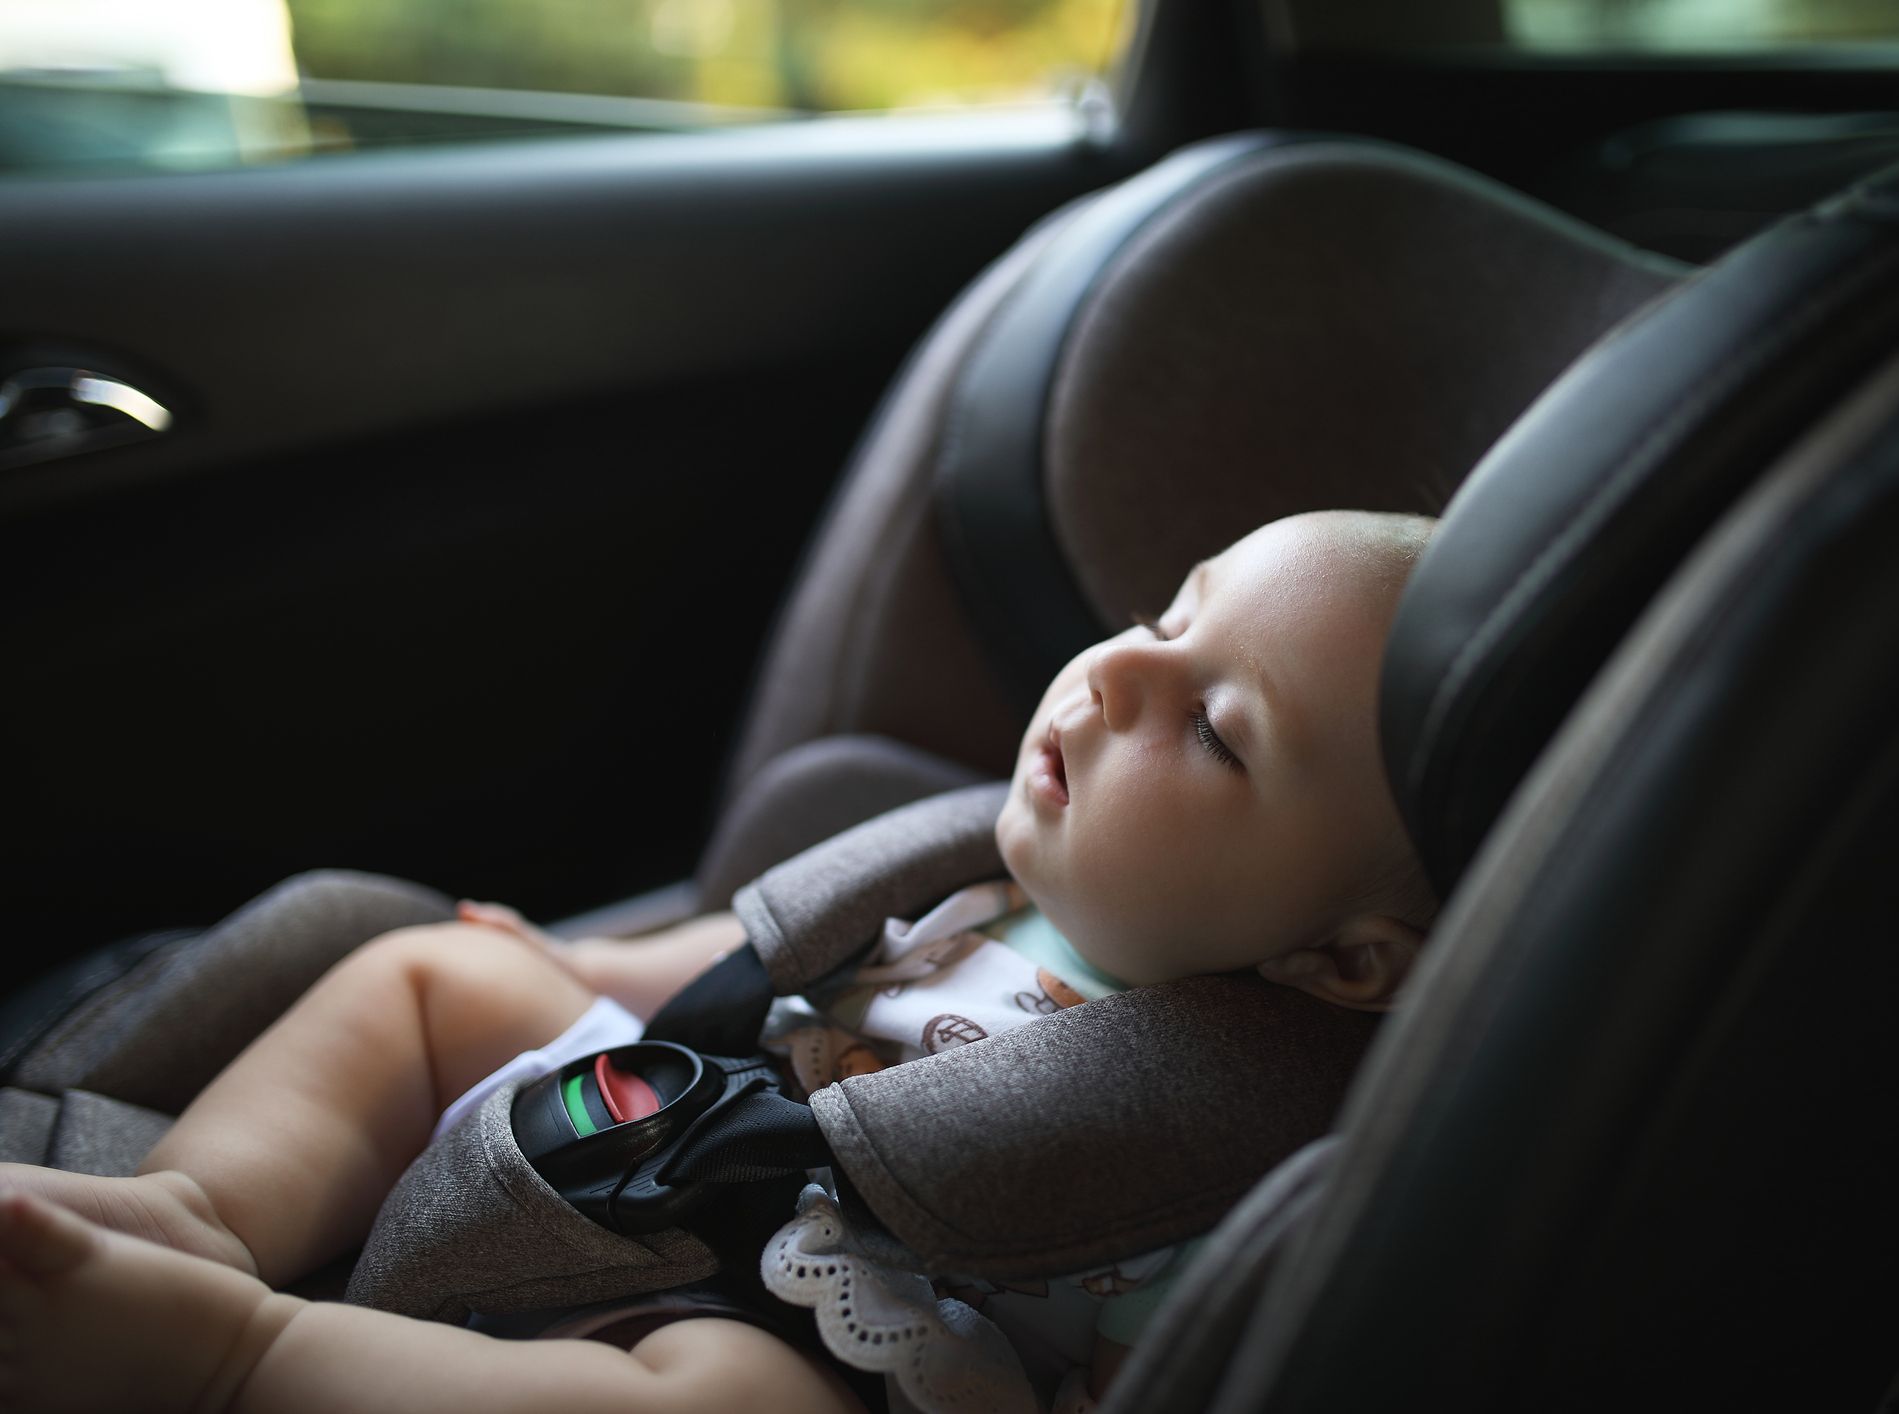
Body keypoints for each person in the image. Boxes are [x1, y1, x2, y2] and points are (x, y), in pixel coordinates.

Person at [0, 509, 1438, 1414]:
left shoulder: (1227, 1150)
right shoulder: (972, 872)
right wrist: (572, 963)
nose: (1116, 672)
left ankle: (229, 1359)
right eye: (1165, 617)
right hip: (671, 1115)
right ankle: (192, 1206)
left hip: (829, 1332)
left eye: (1213, 729)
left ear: (1342, 958)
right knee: (431, 973)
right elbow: (738, 963)